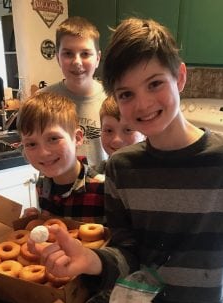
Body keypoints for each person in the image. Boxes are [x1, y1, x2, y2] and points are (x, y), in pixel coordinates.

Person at [29, 18, 223, 303]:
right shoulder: (122, 167)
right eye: (127, 93)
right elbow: (129, 253)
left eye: (155, 84)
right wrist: (91, 259)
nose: (142, 104)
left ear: (180, 77)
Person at [17, 91, 105, 224]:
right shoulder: (42, 185)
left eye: (53, 138)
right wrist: (37, 221)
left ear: (77, 138)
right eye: (31, 144)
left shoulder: (103, 189)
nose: (43, 153)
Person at [40, 16, 107, 167]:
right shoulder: (42, 100)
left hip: (101, 186)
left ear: (97, 58)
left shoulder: (113, 99)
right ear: (58, 58)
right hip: (56, 188)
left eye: (85, 54)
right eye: (68, 54)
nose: (77, 62)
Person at [95, 95, 145, 173]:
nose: (117, 140)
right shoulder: (92, 178)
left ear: (145, 134)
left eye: (128, 130)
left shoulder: (158, 175)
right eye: (109, 130)